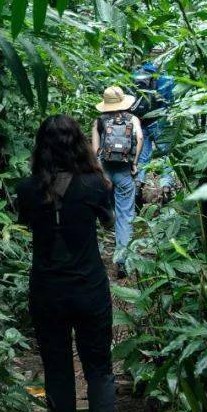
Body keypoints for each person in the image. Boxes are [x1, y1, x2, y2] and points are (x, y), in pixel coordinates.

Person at [16, 115, 117, 412]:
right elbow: (107, 221)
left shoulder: (27, 189)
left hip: (47, 291)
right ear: (79, 144)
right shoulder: (96, 185)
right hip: (89, 288)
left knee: (57, 371)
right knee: (99, 367)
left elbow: (27, 220)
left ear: (41, 147)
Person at [90, 85, 143, 279]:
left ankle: (99, 251)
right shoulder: (133, 119)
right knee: (126, 214)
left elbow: (95, 150)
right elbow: (140, 138)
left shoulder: (98, 121)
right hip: (123, 172)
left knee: (105, 211)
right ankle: (122, 260)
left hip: (104, 172)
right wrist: (134, 163)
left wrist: (99, 170)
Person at [131, 58, 176, 191]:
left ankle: (138, 183)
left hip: (142, 122)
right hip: (159, 121)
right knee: (164, 154)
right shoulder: (164, 79)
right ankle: (166, 186)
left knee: (143, 155)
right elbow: (170, 101)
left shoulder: (136, 76)